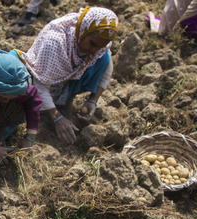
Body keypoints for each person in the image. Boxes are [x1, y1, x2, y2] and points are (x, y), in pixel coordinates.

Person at [13, 7, 118, 145]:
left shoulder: (98, 48)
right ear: (83, 30)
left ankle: (66, 103)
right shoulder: (55, 42)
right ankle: (48, 109)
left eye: (99, 46)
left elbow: (106, 68)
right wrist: (57, 118)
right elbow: (40, 85)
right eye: (92, 43)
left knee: (103, 58)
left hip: (64, 84)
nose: (94, 50)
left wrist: (93, 100)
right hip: (37, 81)